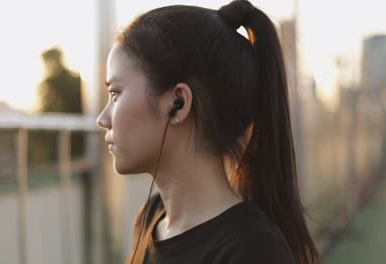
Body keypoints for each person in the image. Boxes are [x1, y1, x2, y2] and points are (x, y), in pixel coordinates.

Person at [96, 0, 318, 263]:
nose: (103, 118)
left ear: (178, 104)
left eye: (115, 94)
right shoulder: (150, 217)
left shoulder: (253, 251)